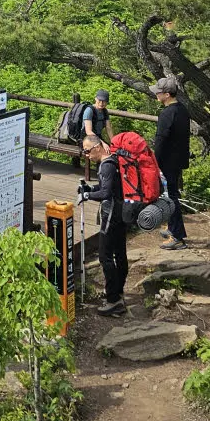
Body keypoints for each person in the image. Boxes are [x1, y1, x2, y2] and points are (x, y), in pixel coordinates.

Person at [78, 135, 130, 315]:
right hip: (122, 211)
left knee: (105, 256)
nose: (85, 155)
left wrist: (87, 196)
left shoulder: (105, 166)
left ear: (97, 147)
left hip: (111, 214)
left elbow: (106, 193)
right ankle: (118, 291)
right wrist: (90, 189)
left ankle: (113, 300)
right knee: (119, 253)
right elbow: (106, 187)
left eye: (86, 150)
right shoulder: (113, 161)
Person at [150, 76, 191, 250]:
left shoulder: (167, 113)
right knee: (172, 194)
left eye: (158, 92)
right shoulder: (182, 109)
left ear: (167, 94)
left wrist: (153, 161)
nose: (156, 94)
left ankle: (177, 237)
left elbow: (160, 140)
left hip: (167, 161)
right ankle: (173, 228)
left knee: (170, 198)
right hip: (178, 160)